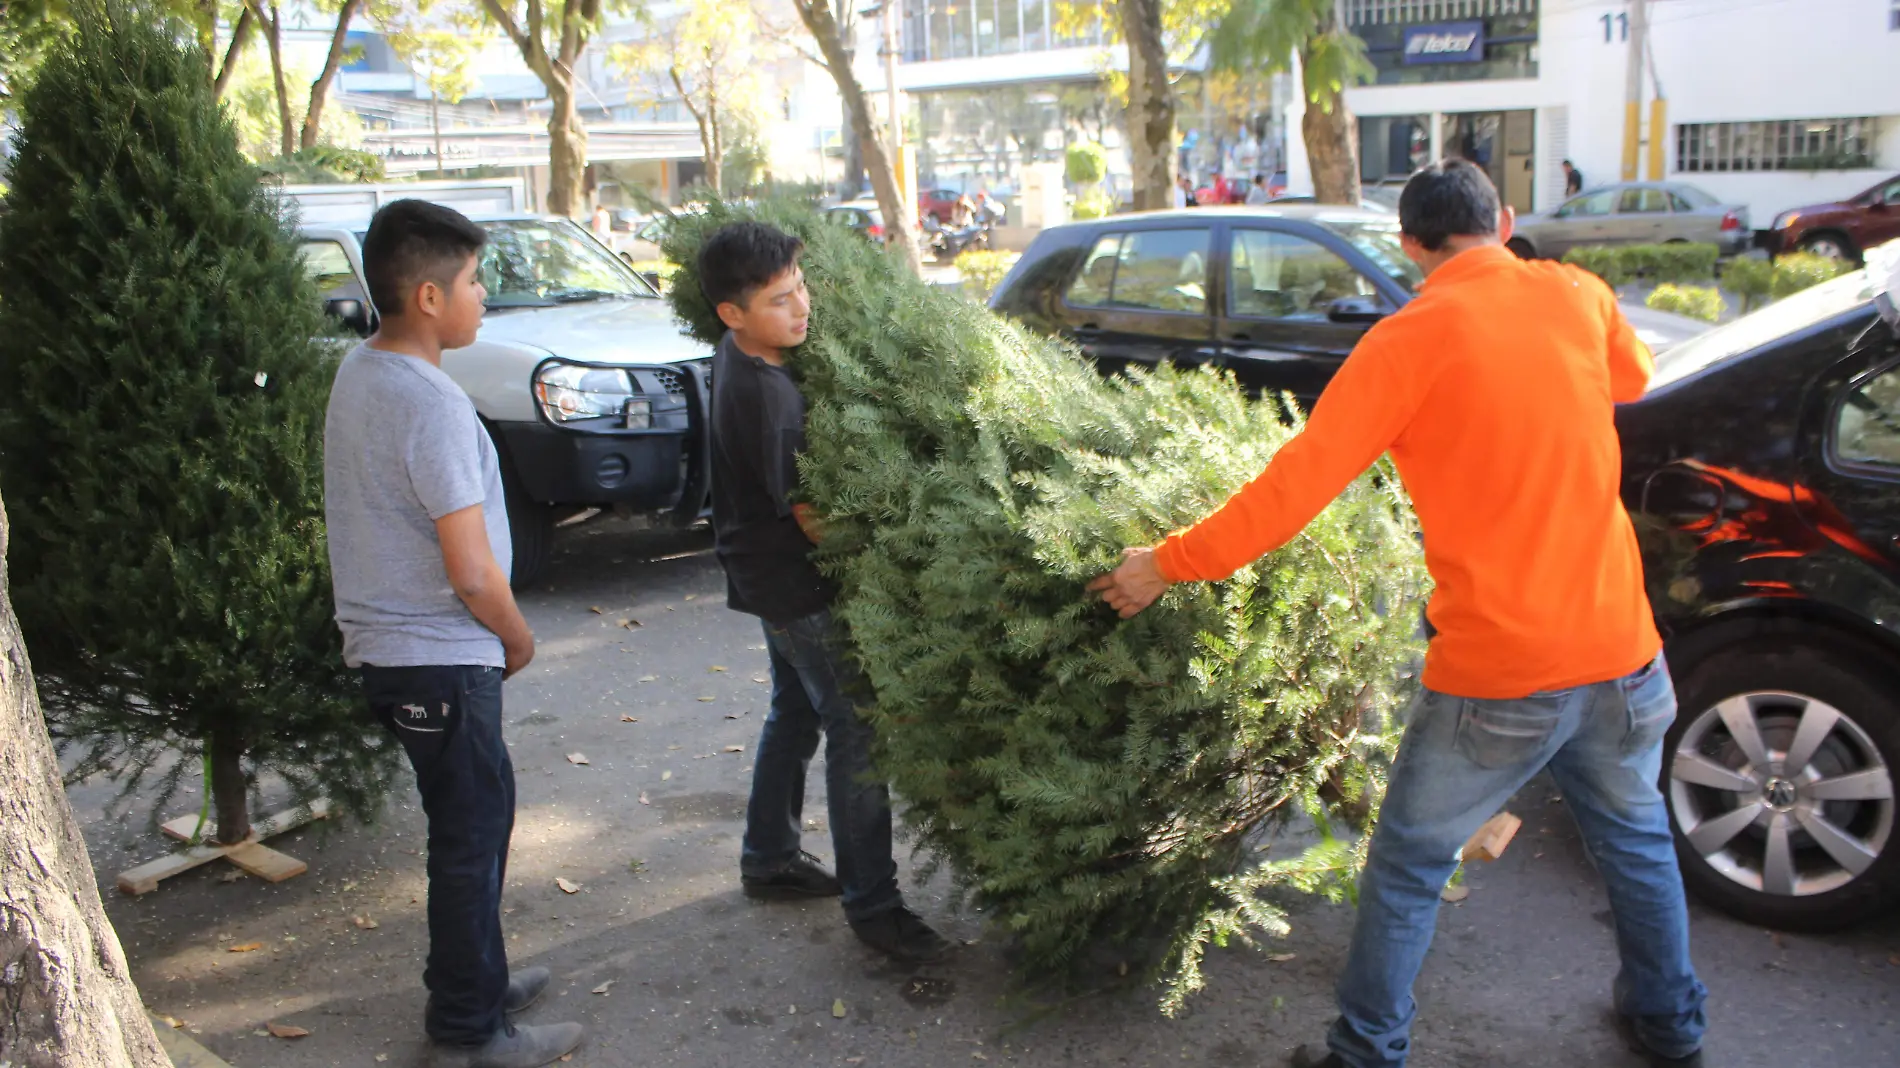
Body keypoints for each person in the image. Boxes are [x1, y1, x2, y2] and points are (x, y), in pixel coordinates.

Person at [1088, 159, 1707, 1068]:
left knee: (1412, 864)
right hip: (1623, 652)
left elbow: (1291, 490)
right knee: (1638, 842)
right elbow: (1636, 375)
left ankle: (1365, 1051)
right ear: (1502, 218)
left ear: (1412, 247)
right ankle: (1672, 1025)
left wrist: (1165, 565)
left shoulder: (1409, 340)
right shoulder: (1575, 292)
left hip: (1502, 673)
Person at [323, 200, 584, 1067]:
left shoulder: (364, 367)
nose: (483, 298)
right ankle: (472, 1033)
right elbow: (471, 570)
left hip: (402, 654)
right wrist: (516, 637)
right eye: (474, 282)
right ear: (429, 297)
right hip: (437, 658)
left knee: (473, 826)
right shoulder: (429, 401)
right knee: (470, 842)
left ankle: (476, 980)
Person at [700, 220, 952, 964]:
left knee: (795, 711)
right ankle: (873, 906)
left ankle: (769, 859)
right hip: (797, 586)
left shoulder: (745, 357)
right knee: (859, 728)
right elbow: (811, 516)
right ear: (733, 314)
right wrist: (893, 562)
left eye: (801, 288)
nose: (802, 307)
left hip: (762, 575)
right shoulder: (768, 399)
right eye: (781, 300)